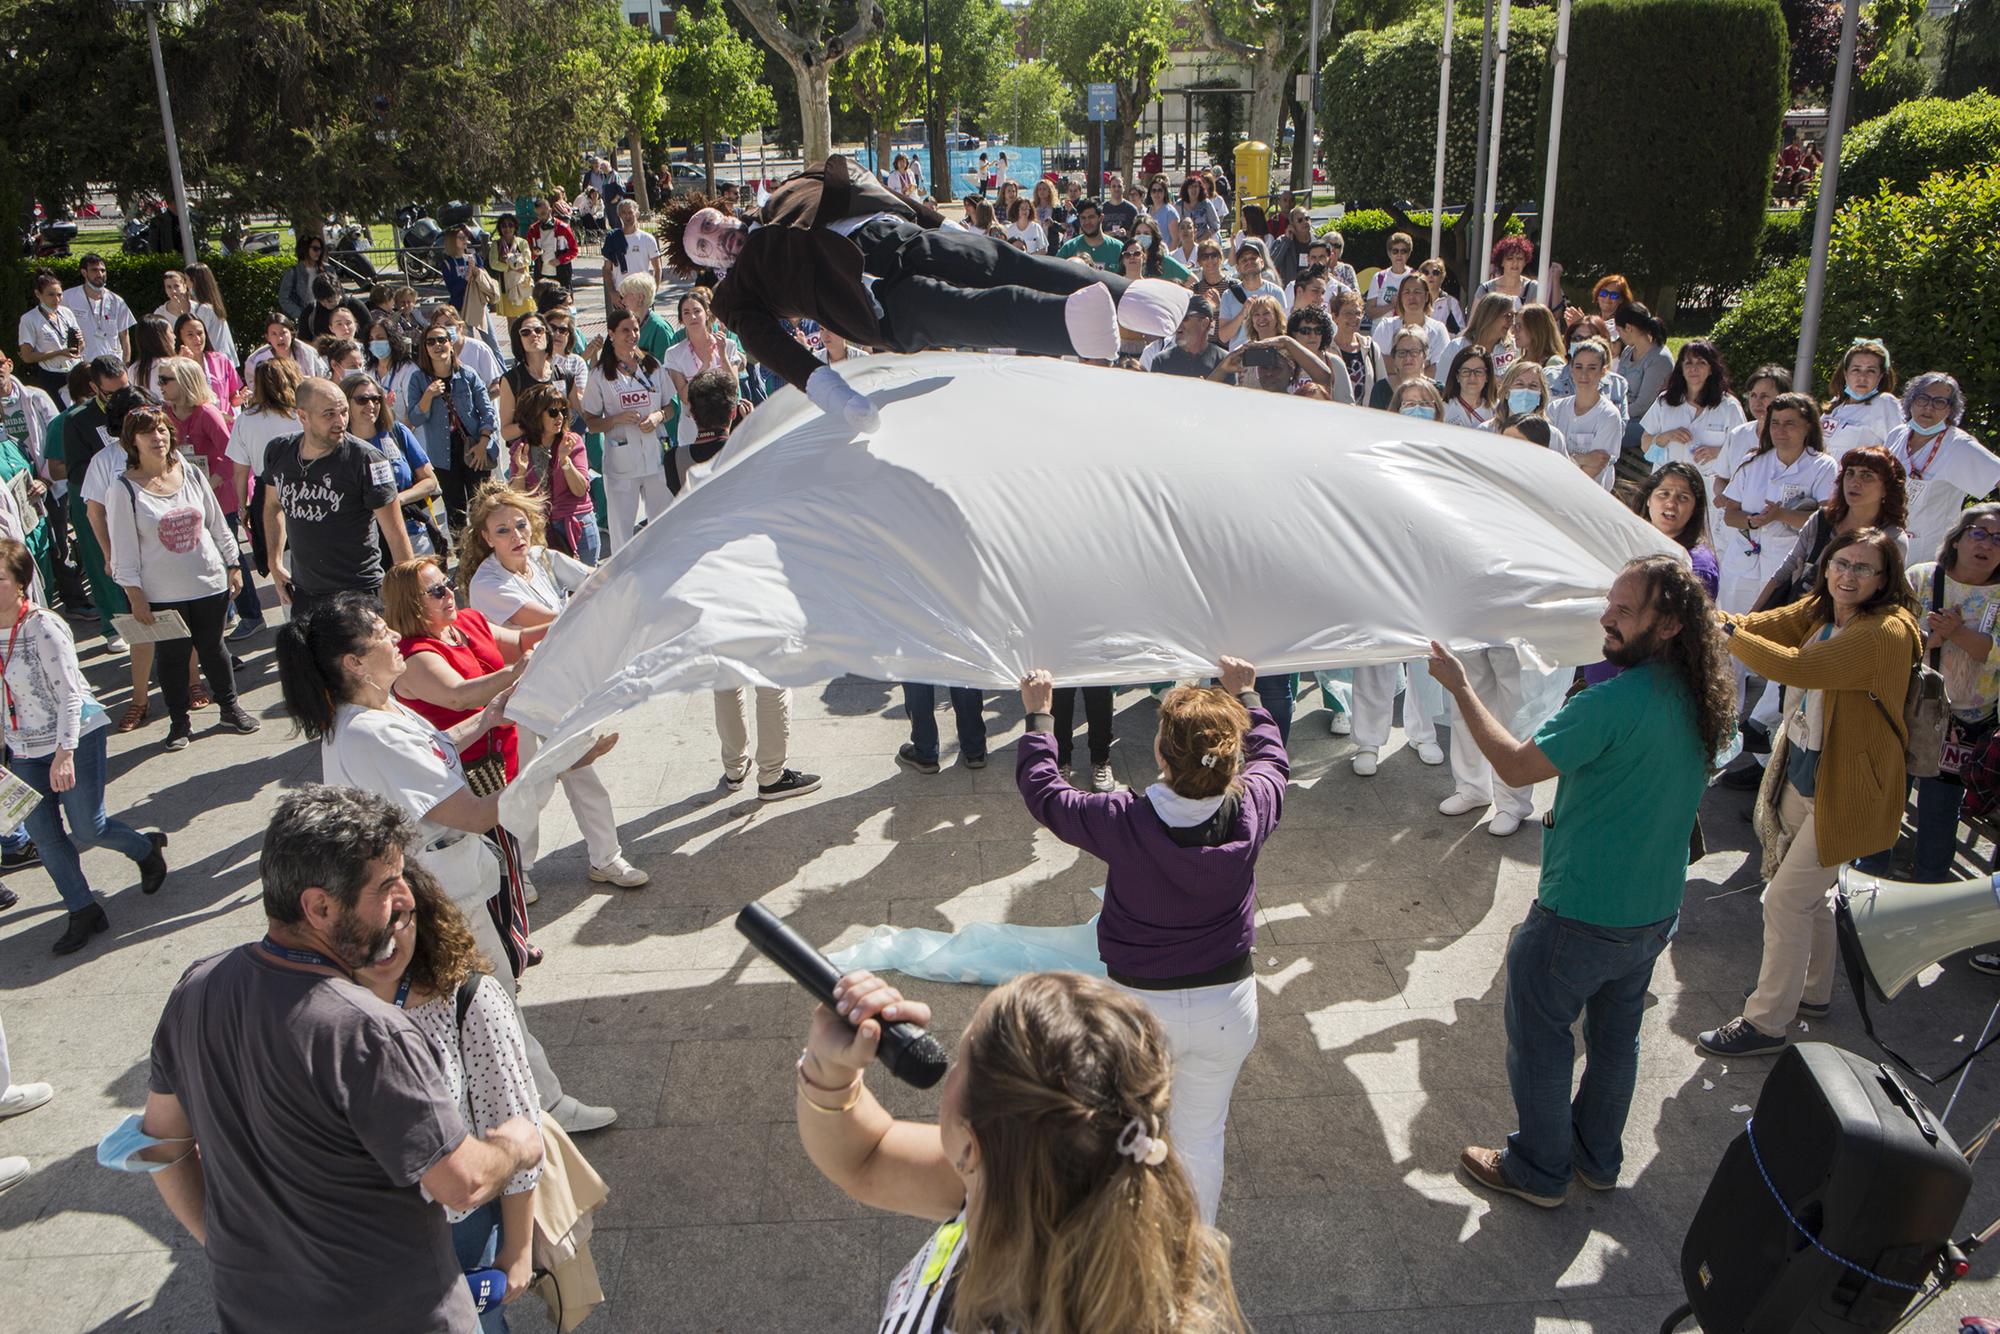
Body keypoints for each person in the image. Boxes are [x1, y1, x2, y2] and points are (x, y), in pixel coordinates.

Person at [134, 785, 545, 1333]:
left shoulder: (198, 986)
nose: (403, 897)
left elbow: (161, 1143)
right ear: (320, 907)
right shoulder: (371, 1032)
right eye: (385, 885)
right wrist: (514, 1145)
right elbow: (462, 1183)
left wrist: (225, 1240)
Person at [1430, 554, 1727, 1206]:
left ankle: (1539, 1170)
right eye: (1609, 605)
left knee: (1541, 1040)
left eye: (1625, 611)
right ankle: (1598, 1159)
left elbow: (1512, 765)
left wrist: (1459, 686)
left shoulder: (1609, 703)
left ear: (1672, 623)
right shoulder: (1700, 695)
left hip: (1579, 914)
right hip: (1651, 911)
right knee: (1617, 1041)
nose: (1607, 620)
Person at [275, 600, 620, 1134]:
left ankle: (494, 1110)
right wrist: (556, 764)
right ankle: (544, 1109)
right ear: (354, 663)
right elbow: (477, 813)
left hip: (434, 879)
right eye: (379, 631)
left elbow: (431, 755)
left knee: (467, 1006)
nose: (394, 635)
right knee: (493, 1002)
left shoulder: (374, 712)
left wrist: (490, 715)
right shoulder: (372, 731)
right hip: (442, 889)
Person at [799, 968, 1248, 1333]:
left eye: (961, 1061)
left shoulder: (999, 1185)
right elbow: (868, 1156)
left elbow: (866, 1163)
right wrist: (829, 1068)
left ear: (972, 1146)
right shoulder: (1025, 1181)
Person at [1012, 655, 1282, 1223]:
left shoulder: (1121, 818)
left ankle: (1129, 1246)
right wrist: (1249, 697)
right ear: (1231, 757)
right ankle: (1194, 1249)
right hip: (1227, 1006)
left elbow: (1045, 793)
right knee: (1202, 1137)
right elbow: (1274, 762)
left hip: (1137, 1012)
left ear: (1161, 754)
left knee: (1126, 1135)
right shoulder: (1253, 807)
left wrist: (1039, 720)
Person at [666, 159, 1150, 427]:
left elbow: (874, 187)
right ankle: (1069, 327)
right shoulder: (735, 296)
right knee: (969, 314)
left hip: (889, 236)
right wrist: (828, 389)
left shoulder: (785, 193)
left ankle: (1128, 294)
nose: (715, 238)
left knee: (1003, 261)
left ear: (722, 210)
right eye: (702, 246)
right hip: (870, 302)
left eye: (710, 225)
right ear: (706, 263)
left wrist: (948, 224)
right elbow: (766, 345)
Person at [1699, 528, 1921, 1057]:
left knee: (1784, 899)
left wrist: (1721, 626)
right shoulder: (1827, 609)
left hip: (1850, 789)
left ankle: (1767, 1023)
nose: (1847, 575)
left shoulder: (1886, 631)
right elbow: (1762, 625)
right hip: (1808, 772)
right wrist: (1719, 619)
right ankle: (1812, 993)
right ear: (1825, 565)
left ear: (1886, 579)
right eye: (1840, 562)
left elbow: (1797, 667)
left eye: (1863, 568)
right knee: (1805, 896)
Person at [354, 859, 542, 1333]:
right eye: (365, 923)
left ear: (421, 912)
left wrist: (517, 1252)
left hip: (457, 1232)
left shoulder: (468, 1000)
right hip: (362, 1237)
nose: (384, 940)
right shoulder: (323, 1006)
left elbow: (516, 1124)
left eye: (398, 917)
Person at [459, 484, 650, 887]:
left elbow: (598, 577)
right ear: (485, 538)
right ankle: (520, 873)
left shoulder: (542, 558)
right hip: (520, 700)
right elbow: (555, 620)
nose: (517, 537)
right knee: (530, 786)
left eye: (520, 525)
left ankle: (606, 858)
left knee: (583, 776)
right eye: (503, 531)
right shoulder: (486, 583)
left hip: (562, 690)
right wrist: (596, 596)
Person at [0, 538, 166, 953]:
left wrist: (64, 754)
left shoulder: (43, 626)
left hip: (74, 736)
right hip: (23, 749)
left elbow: (72, 696)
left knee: (88, 827)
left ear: (21, 583)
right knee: (46, 837)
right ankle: (83, 909)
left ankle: (145, 849)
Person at [104, 402, 254, 749]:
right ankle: (179, 722)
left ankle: (230, 708)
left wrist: (232, 563)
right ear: (132, 441)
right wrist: (135, 595)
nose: (156, 437)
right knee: (172, 658)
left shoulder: (189, 471)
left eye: (160, 429)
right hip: (162, 595)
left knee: (214, 648)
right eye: (146, 431)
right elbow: (123, 550)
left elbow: (216, 522)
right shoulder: (123, 489)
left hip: (209, 583)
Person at [1881, 506, 2000, 883]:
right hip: (1909, 709)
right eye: (1980, 533)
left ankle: (1929, 888)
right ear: (1958, 538)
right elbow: (1888, 635)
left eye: (1999, 540)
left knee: (1940, 810)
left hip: (1967, 723)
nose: (1988, 545)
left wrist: (1959, 634)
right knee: (1887, 798)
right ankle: (1868, 876)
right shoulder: (1921, 578)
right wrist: (1934, 637)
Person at [264, 377, 416, 617]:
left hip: (358, 593)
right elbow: (273, 506)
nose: (340, 422)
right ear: (303, 416)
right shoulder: (279, 451)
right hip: (305, 593)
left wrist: (408, 602)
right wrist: (274, 562)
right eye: (329, 414)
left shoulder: (367, 459)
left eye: (344, 412)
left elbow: (396, 536)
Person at [158, 357, 262, 638]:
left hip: (218, 495)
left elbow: (233, 456)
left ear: (185, 382)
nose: (160, 385)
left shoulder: (207, 413)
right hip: (186, 496)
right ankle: (224, 611)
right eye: (160, 379)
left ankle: (251, 614)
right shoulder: (164, 412)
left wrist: (208, 485)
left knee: (230, 555)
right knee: (204, 556)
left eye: (166, 379)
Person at [580, 307, 671, 553]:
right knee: (622, 533)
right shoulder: (600, 374)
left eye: (636, 329)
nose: (632, 335)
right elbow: (590, 421)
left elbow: (670, 406)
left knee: (663, 527)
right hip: (622, 464)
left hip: (655, 457)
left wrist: (658, 416)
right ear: (611, 334)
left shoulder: (652, 365)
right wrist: (617, 419)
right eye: (625, 330)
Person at [1890, 373, 2000, 563]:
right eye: (1922, 398)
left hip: (1928, 554)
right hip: (1888, 541)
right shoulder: (1897, 435)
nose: (1929, 407)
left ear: (1950, 409)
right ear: (1910, 401)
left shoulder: (1959, 445)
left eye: (1939, 402)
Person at [402, 319, 498, 537]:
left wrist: (484, 443)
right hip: (443, 454)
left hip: (474, 448)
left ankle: (486, 551)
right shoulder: (419, 379)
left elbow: (487, 411)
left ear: (450, 343)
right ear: (425, 348)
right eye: (431, 341)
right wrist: (428, 395)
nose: (437, 345)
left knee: (481, 507)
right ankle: (464, 557)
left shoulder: (467, 375)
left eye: (442, 340)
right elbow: (415, 418)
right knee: (455, 510)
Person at [343, 371, 441, 559]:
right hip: (364, 543)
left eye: (376, 398)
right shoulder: (339, 446)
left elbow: (430, 481)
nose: (371, 405)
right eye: (362, 400)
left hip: (411, 533)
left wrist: (395, 500)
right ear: (346, 403)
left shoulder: (397, 432)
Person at [503, 380, 594, 564]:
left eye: (563, 411)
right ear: (535, 415)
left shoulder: (572, 442)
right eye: (553, 412)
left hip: (577, 525)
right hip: (540, 530)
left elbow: (580, 490)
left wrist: (565, 461)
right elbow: (516, 498)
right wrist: (521, 470)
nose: (559, 417)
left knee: (589, 588)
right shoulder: (520, 449)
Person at [661, 289, 746, 454]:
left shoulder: (727, 345)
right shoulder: (674, 353)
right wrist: (705, 366)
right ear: (681, 319)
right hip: (693, 430)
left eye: (697, 311)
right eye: (686, 313)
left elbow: (734, 387)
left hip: (725, 427)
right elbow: (685, 397)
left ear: (707, 313)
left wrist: (721, 355)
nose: (692, 317)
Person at [1546, 337, 1624, 491]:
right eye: (1579, 367)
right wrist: (1581, 459)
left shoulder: (1609, 415)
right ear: (1571, 369)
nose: (1584, 374)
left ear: (1603, 371)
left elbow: (1598, 464)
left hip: (1589, 493)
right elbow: (1548, 459)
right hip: (1554, 489)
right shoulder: (1554, 409)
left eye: (1592, 368)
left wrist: (1564, 461)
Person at [1821, 338, 1903, 452]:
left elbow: (1899, 450)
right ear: (1845, 373)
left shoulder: (1884, 403)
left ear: (1880, 376)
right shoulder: (1836, 404)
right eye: (1856, 370)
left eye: (1871, 371)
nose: (1862, 377)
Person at [1612, 302, 1672, 446]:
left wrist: (1612, 415)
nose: (1618, 336)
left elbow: (1643, 406)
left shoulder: (1659, 358)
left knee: (1601, 435)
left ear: (1628, 328)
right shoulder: (1627, 352)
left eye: (1619, 331)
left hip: (1645, 423)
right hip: (1623, 416)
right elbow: (1618, 388)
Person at [18, 270, 85, 397]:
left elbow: (81, 345)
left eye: (59, 295)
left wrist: (79, 343)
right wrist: (59, 353)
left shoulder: (66, 313)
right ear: (38, 294)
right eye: (51, 295)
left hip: (75, 372)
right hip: (52, 375)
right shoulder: (29, 319)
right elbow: (27, 357)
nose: (57, 299)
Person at [1369, 272, 1448, 376]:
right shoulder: (1385, 326)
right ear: (1400, 298)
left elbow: (1441, 370)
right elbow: (1377, 363)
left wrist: (1394, 363)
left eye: (1417, 292)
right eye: (1406, 292)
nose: (1412, 297)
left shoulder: (1438, 330)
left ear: (1426, 297)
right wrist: (1421, 366)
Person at [62, 253, 135, 363]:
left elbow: (125, 337)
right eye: (94, 270)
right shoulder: (68, 297)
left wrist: (126, 364)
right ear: (84, 272)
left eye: (103, 270)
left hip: (112, 364)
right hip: (82, 364)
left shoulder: (117, 301)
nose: (100, 274)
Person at [1217, 240, 1288, 350]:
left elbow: (1284, 329)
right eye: (1244, 260)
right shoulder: (1228, 295)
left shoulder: (1276, 292)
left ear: (1262, 263)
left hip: (1270, 353)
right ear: (1238, 268)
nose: (1249, 262)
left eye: (1253, 258)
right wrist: (1242, 313)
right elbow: (1223, 337)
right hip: (1239, 358)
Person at [171, 311, 240, 421]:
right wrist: (182, 365)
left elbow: (233, 398)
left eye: (200, 333)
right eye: (190, 335)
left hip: (225, 425)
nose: (197, 339)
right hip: (196, 427)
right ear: (180, 337)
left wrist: (241, 398)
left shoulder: (221, 360)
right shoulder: (175, 366)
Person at [600, 198, 662, 308]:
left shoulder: (647, 239)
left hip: (642, 295)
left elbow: (657, 269)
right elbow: (606, 269)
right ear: (619, 215)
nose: (627, 216)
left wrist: (653, 293)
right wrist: (612, 293)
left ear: (636, 214)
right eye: (624, 213)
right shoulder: (612, 239)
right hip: (621, 296)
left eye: (630, 212)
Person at [1148, 297, 1228, 379]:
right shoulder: (1161, 361)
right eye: (1177, 318)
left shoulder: (1225, 362)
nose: (1178, 324)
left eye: (1184, 318)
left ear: (1204, 323)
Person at [242, 310, 328, 381]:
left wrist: (310, 381)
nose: (280, 338)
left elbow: (324, 378)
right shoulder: (258, 360)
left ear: (291, 333)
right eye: (274, 334)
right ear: (267, 337)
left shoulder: (308, 353)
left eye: (283, 333)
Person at [1370, 328, 1436, 411]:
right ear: (1394, 357)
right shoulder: (1381, 389)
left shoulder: (1438, 390)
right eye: (1402, 353)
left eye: (1414, 352)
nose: (1408, 358)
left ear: (1424, 356)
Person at [300, 272, 370, 344]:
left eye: (330, 300)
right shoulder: (311, 311)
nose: (327, 305)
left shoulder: (356, 306)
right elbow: (304, 340)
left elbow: (370, 333)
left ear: (339, 292)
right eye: (322, 301)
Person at [490, 214, 535, 325]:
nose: (507, 229)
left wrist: (510, 262)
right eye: (504, 226)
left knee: (527, 318)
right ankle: (514, 341)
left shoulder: (522, 242)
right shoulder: (496, 244)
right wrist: (510, 268)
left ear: (515, 227)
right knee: (511, 319)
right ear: (500, 228)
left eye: (510, 225)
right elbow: (493, 263)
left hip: (523, 285)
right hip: (506, 287)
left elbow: (528, 260)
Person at [1473, 235, 1540, 308]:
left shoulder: (1533, 288)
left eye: (1520, 258)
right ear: (1501, 262)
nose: (1515, 263)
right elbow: (1474, 319)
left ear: (1525, 262)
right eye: (1510, 258)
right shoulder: (1485, 289)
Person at [1056, 199, 1125, 269]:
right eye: (1083, 218)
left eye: (1091, 217)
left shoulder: (1118, 248)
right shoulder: (1069, 248)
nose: (1087, 222)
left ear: (1101, 218)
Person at [1364, 232, 1418, 321]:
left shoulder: (1415, 277)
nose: (1399, 255)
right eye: (1395, 251)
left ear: (1409, 253)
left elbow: (1419, 309)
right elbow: (1369, 312)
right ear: (1389, 253)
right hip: (1381, 331)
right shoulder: (1379, 277)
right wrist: (1391, 305)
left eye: (1403, 251)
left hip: (1406, 331)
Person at [527, 197, 578, 289]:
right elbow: (530, 253)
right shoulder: (533, 230)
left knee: (563, 301)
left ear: (550, 210)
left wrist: (560, 260)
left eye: (543, 214)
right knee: (543, 302)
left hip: (562, 273)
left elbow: (574, 250)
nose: (540, 218)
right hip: (541, 274)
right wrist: (534, 254)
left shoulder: (564, 228)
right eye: (537, 215)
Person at [276, 233, 328, 322]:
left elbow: (338, 293)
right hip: (304, 319)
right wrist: (302, 314)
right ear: (305, 248)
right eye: (315, 249)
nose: (318, 252)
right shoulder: (293, 272)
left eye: (321, 249)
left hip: (326, 317)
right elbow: (284, 298)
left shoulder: (328, 270)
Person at [1267, 206, 1316, 286]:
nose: (1305, 222)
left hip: (1312, 289)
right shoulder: (1282, 241)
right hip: (1291, 290)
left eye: (1307, 218)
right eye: (1300, 220)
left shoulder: (1316, 241)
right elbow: (1273, 263)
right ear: (1292, 224)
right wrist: (1286, 241)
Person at [1420, 257, 1465, 334]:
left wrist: (1442, 336)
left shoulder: (1451, 302)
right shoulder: (1416, 300)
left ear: (1442, 277)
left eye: (1435, 273)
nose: (1430, 276)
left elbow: (1461, 331)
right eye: (1426, 272)